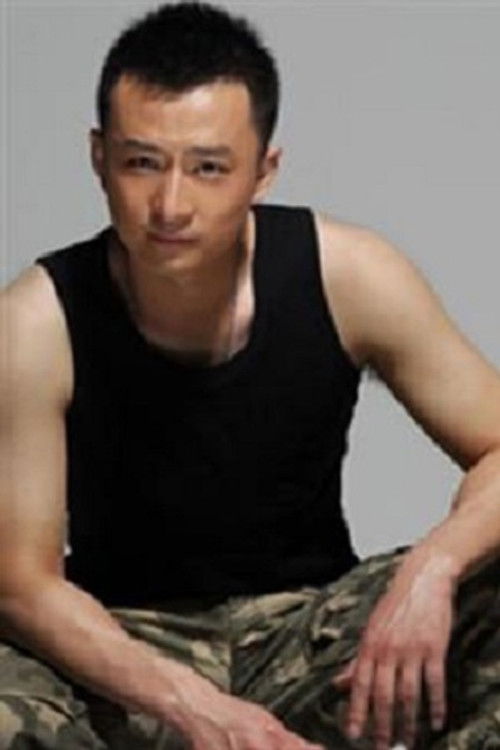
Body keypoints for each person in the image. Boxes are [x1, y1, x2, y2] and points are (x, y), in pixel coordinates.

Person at [1, 2, 500, 749]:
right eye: (142, 163)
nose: (171, 205)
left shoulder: (351, 275)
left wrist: (433, 571)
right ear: (98, 158)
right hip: (125, 651)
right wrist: (195, 706)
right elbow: (20, 582)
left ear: (264, 170)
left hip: (312, 639)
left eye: (208, 168)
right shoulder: (35, 323)